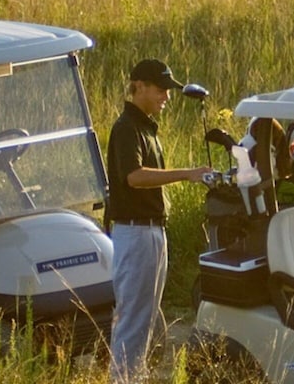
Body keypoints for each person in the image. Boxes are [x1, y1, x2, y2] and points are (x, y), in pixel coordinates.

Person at [105, 58, 211, 382]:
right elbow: (134, 177)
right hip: (135, 232)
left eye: (168, 89)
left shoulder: (145, 126)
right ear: (139, 87)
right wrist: (187, 174)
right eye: (161, 89)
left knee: (145, 319)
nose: (166, 96)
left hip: (150, 232)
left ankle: (132, 377)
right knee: (133, 321)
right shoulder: (126, 127)